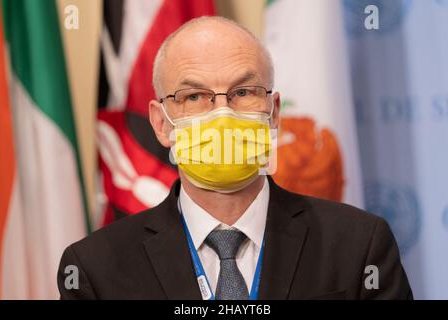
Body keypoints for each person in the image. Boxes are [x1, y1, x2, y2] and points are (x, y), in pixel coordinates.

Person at [57, 16, 412, 300]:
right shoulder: (95, 267)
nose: (222, 114)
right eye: (194, 96)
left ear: (273, 113)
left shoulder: (359, 245)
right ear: (161, 123)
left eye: (243, 92)